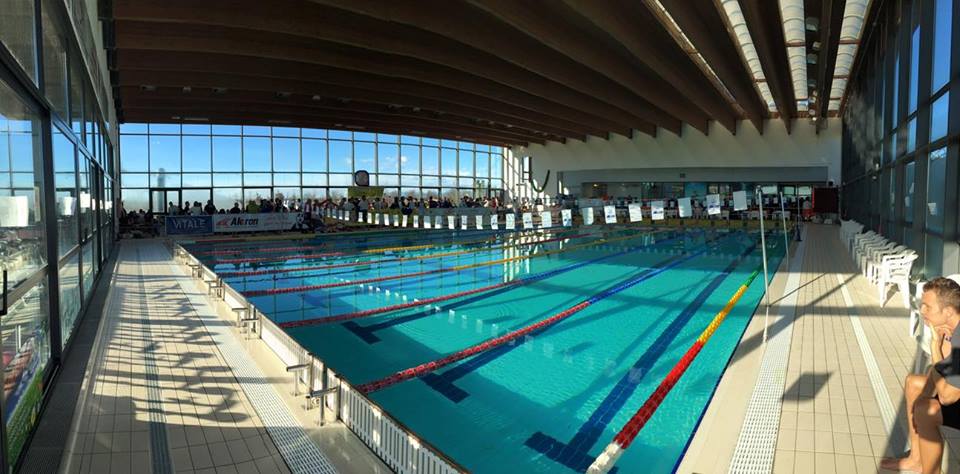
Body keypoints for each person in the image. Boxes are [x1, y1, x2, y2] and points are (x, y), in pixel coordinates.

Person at [882, 277, 960, 474]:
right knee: (913, 384)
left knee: (926, 410)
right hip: (954, 391)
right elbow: (940, 375)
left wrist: (935, 347)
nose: (922, 311)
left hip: (953, 394)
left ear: (949, 311)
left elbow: (946, 396)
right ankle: (917, 459)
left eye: (928, 307)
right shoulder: (950, 329)